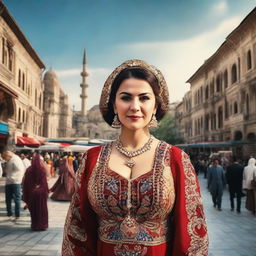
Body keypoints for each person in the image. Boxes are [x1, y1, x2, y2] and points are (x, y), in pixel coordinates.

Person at [62, 59, 208, 256]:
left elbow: (192, 234)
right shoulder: (92, 159)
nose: (135, 106)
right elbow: (77, 230)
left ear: (156, 106)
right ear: (114, 104)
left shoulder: (175, 159)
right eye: (126, 97)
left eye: (144, 98)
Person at [22, 153, 50, 230]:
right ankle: (43, 225)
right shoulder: (42, 170)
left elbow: (26, 183)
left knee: (34, 211)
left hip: (32, 194)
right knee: (42, 210)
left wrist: (26, 195)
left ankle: (35, 225)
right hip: (41, 194)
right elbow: (44, 183)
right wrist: (45, 192)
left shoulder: (29, 170)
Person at [2, 149, 25, 221]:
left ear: (8, 155)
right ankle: (9, 213)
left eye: (5, 158)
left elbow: (20, 169)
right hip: (9, 182)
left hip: (15, 182)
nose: (5, 160)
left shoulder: (16, 159)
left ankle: (17, 215)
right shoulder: (10, 160)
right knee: (8, 199)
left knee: (16, 199)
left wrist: (15, 178)